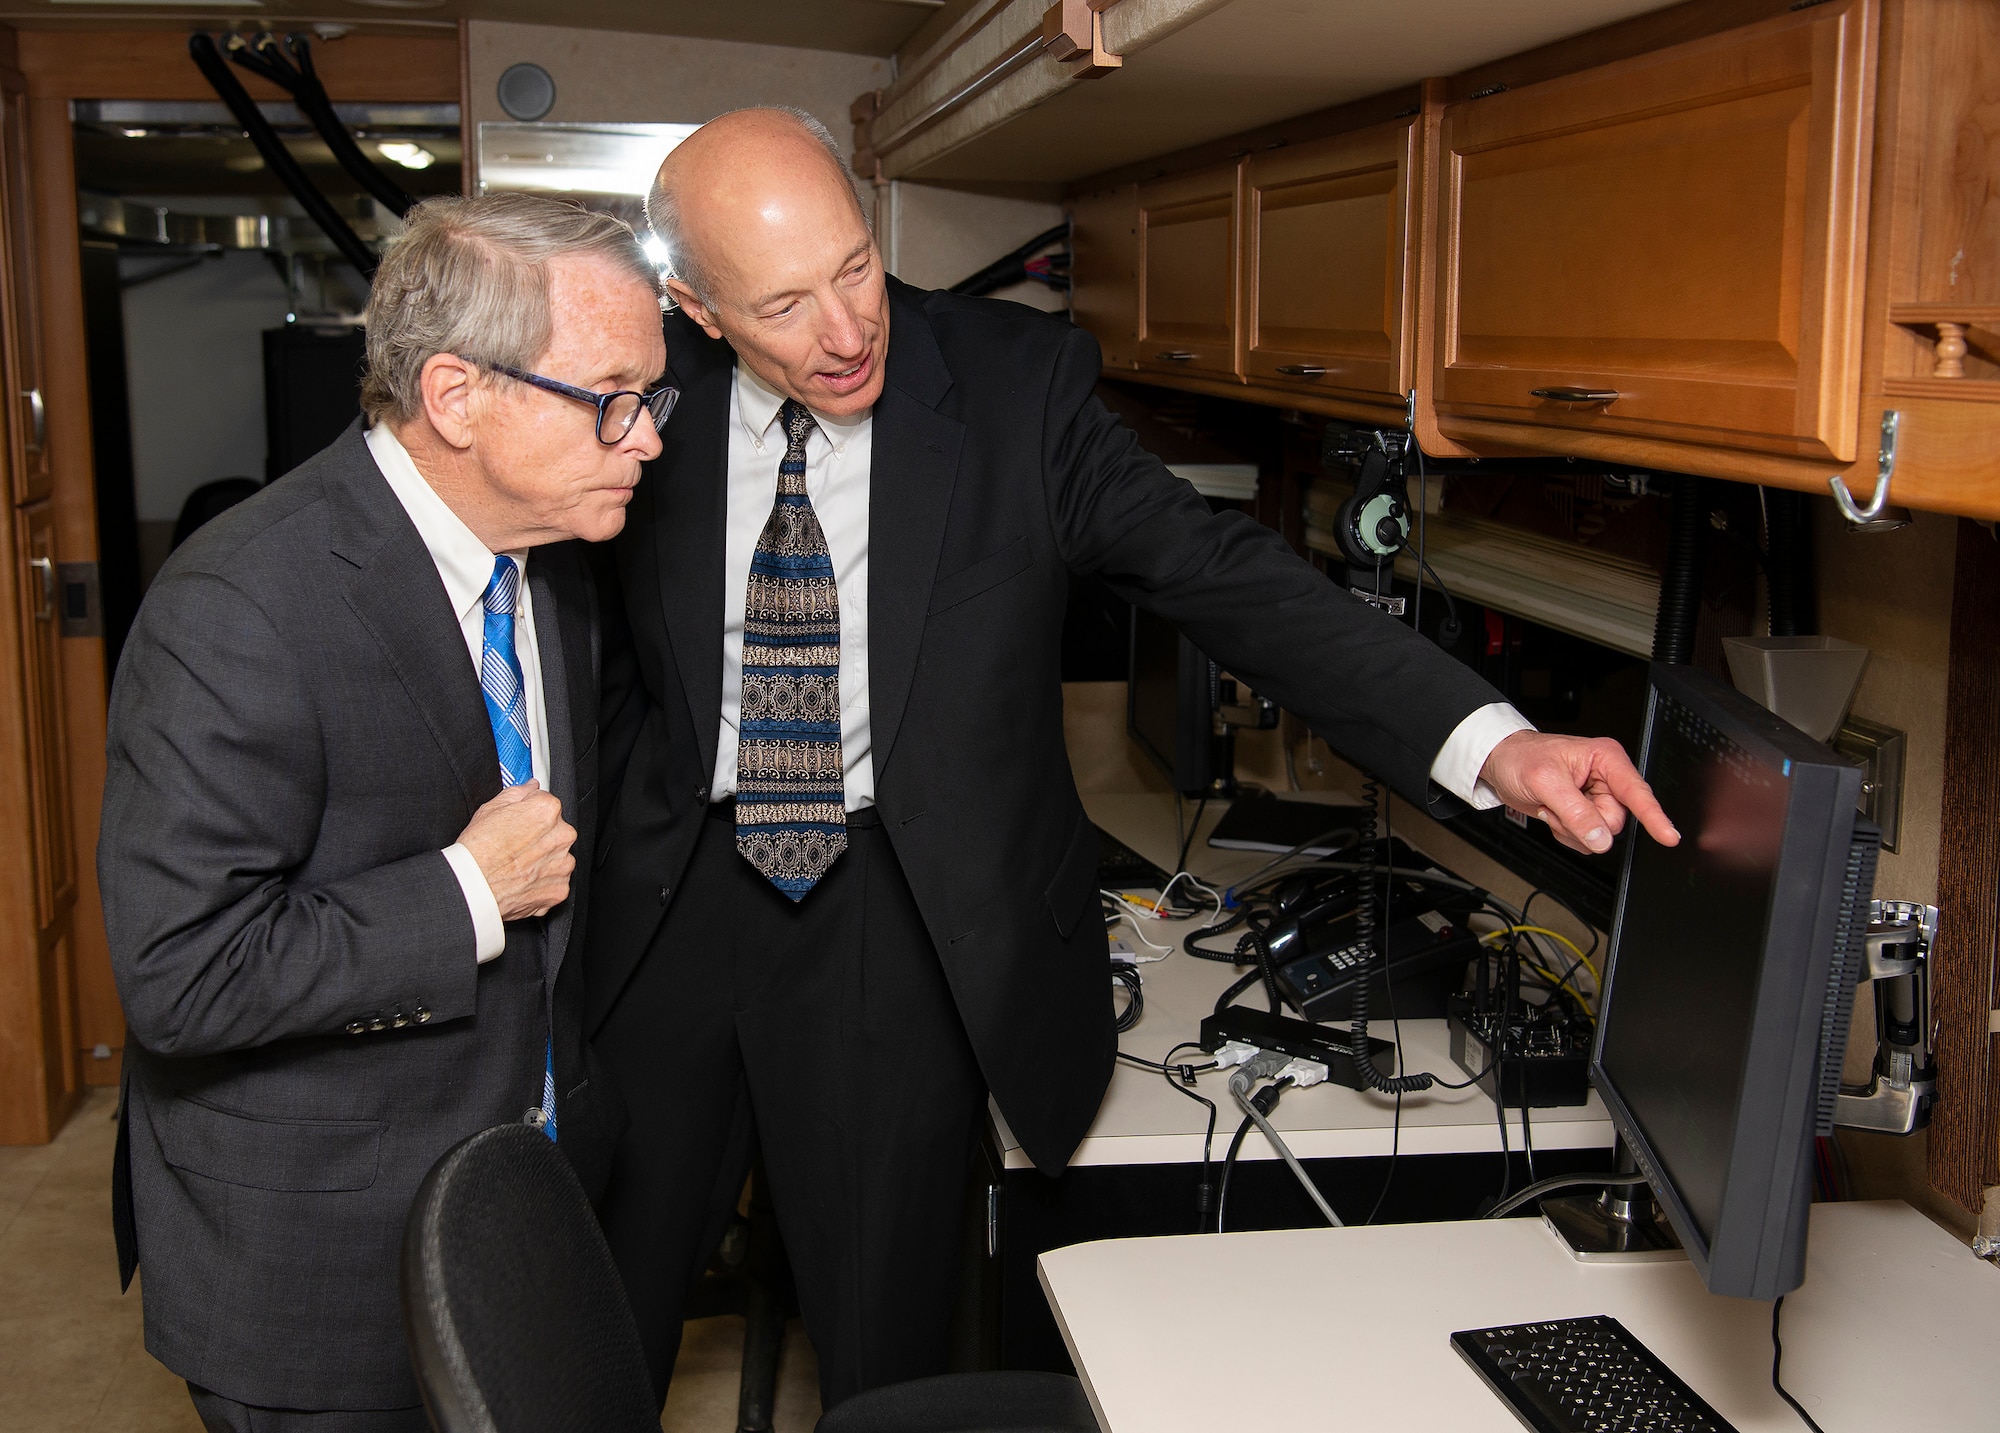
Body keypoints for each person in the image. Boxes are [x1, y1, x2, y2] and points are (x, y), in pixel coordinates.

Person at [586, 106, 1680, 1410]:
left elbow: (1228, 577)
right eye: (782, 305)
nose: (844, 332)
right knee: (597, 1323)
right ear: (697, 309)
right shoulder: (630, 397)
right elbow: (573, 639)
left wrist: (1493, 746)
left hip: (895, 912)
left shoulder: (1012, 386)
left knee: (891, 1357)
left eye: (857, 270)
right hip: (673, 900)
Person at [99, 193, 672, 1432]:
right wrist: (468, 888)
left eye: (652, 398)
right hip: (319, 1264)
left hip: (520, 1206)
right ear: (457, 396)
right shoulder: (237, 605)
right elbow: (182, 974)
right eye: (612, 397)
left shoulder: (551, 562)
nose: (645, 440)